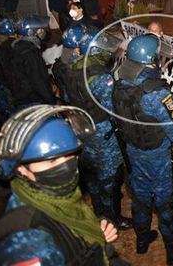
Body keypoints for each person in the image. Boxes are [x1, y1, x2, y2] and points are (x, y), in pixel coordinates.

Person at [0, 105, 123, 266]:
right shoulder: (28, 243)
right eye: (52, 160)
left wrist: (92, 231)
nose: (66, 166)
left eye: (70, 155)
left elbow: (67, 224)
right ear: (21, 169)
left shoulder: (54, 195)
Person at [112, 34, 173, 264]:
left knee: (140, 196)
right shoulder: (156, 92)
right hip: (158, 155)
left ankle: (142, 240)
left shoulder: (119, 81)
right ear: (151, 60)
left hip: (133, 150)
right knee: (166, 203)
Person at [53, 27, 132, 230]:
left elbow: (68, 100)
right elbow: (112, 110)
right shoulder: (101, 77)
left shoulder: (72, 68)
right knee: (110, 177)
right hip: (102, 132)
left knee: (92, 174)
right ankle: (112, 218)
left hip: (81, 127)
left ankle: (98, 212)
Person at [9, 17, 56, 108]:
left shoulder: (19, 45)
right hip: (33, 99)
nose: (43, 32)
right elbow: (38, 80)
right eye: (40, 30)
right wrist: (51, 102)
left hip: (22, 96)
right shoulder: (29, 52)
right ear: (31, 32)